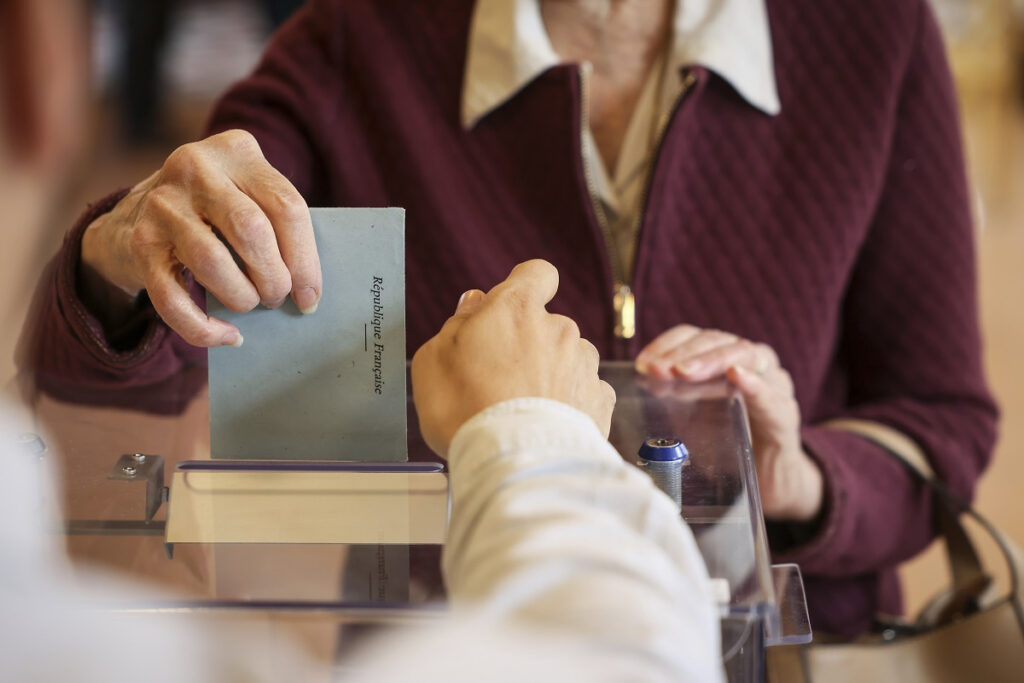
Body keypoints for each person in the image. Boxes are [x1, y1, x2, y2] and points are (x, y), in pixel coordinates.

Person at [25, 0, 998, 638]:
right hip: (461, 647)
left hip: (780, 652)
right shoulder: (360, 38)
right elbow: (120, 372)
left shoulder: (871, 33)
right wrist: (121, 254)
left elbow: (941, 422)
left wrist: (805, 480)